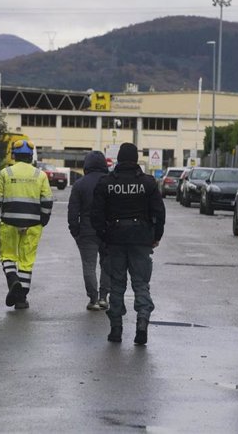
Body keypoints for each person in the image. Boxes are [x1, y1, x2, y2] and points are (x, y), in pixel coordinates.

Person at [91, 143, 165, 345]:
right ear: (136, 160)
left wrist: (103, 237)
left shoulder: (106, 183)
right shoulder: (148, 183)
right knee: (141, 284)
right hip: (141, 239)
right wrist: (156, 235)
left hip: (114, 239)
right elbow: (159, 212)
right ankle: (142, 322)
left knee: (117, 285)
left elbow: (96, 214)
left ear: (119, 159)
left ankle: (116, 329)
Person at [0, 139, 53, 310]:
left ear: (14, 155)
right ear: (30, 156)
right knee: (26, 262)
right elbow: (47, 200)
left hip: (9, 222)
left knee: (8, 256)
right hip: (33, 224)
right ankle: (21, 299)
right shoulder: (40, 175)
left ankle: (13, 281)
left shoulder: (5, 173)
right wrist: (43, 220)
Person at [68, 150, 111, 311]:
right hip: (108, 231)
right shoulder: (110, 182)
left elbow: (73, 211)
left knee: (89, 265)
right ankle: (104, 298)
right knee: (107, 264)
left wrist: (75, 231)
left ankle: (93, 299)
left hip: (87, 231)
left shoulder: (80, 184)